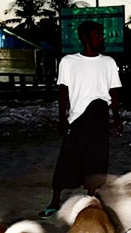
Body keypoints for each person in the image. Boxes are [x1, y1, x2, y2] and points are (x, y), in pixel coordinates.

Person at [41, 21, 122, 217]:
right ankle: (55, 200)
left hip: (100, 113)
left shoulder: (108, 62)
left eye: (101, 35)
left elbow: (114, 92)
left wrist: (117, 118)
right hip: (78, 116)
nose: (101, 38)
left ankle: (91, 197)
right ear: (85, 38)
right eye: (96, 35)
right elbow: (63, 91)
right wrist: (62, 117)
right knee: (68, 157)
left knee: (97, 157)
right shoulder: (69, 61)